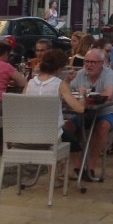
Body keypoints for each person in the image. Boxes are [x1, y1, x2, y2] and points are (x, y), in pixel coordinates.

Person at [26, 48, 87, 181]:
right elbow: (80, 109)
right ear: (60, 68)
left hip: (28, 136)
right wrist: (82, 94)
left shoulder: (30, 83)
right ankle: (69, 170)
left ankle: (54, 173)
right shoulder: (59, 84)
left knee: (63, 131)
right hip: (50, 138)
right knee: (69, 136)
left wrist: (67, 81)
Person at [68, 47, 113, 183]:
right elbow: (67, 92)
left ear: (102, 63)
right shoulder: (80, 74)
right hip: (83, 114)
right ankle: (78, 166)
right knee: (65, 127)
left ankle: (90, 167)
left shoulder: (108, 73)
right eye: (86, 62)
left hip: (104, 112)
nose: (89, 65)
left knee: (102, 126)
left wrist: (86, 96)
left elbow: (108, 93)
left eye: (93, 62)